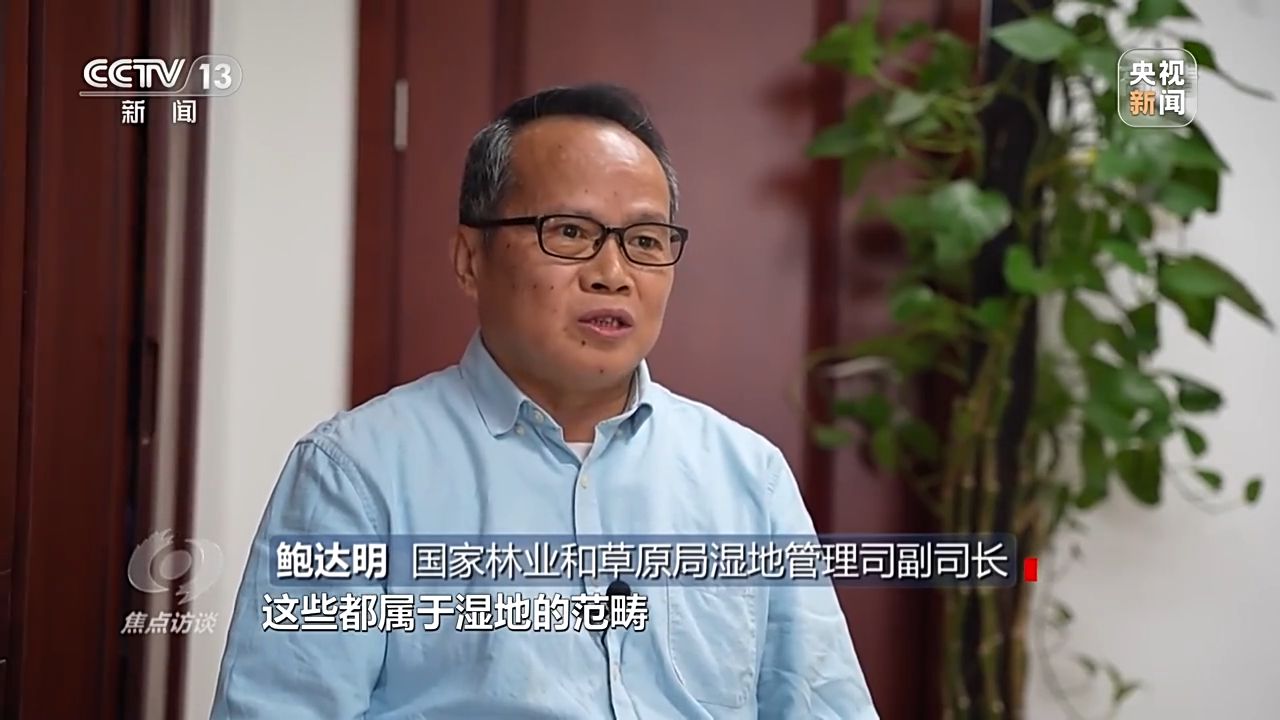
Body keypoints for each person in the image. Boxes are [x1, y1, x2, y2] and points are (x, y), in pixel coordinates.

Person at [210, 83, 878, 719]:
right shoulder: (357, 474)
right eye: (569, 232)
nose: (612, 274)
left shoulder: (747, 478)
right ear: (470, 259)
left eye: (645, 241)